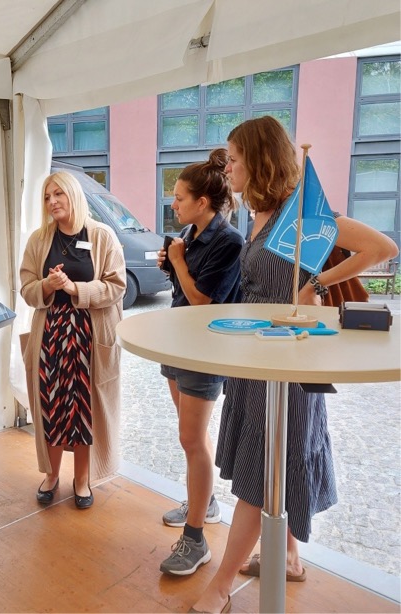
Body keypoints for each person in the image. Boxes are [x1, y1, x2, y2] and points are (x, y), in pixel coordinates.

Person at [191, 116, 399, 613]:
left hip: (290, 361)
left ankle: (219, 587)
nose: (229, 169)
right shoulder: (259, 214)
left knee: (259, 475)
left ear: (259, 160)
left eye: (236, 159)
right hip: (258, 359)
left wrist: (319, 285)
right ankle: (289, 560)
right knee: (270, 465)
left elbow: (383, 247)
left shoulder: (301, 214)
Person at [156, 149, 244, 576]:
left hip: (203, 351)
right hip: (178, 344)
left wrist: (176, 262)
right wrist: (173, 264)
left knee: (192, 438)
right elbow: (184, 291)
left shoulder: (229, 242)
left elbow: (204, 302)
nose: (173, 204)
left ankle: (196, 539)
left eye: (179, 198)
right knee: (190, 435)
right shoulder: (190, 235)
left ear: (202, 202)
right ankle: (203, 503)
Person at [19, 171, 126, 510]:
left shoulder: (102, 236)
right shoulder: (39, 239)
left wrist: (73, 288)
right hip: (51, 336)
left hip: (89, 338)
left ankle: (82, 479)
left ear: (74, 196)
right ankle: (51, 475)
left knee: (84, 412)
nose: (52, 202)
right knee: (51, 407)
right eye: (48, 196)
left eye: (59, 195)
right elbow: (26, 290)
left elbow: (116, 286)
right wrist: (48, 287)